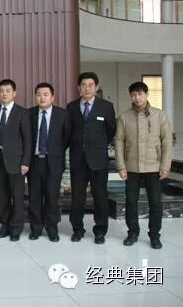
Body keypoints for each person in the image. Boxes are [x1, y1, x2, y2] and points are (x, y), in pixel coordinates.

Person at [115, 81, 173, 249]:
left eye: (140, 94)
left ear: (147, 95)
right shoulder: (124, 117)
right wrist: (121, 165)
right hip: (131, 166)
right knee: (131, 202)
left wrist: (165, 165)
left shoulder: (159, 115)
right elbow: (118, 141)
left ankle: (154, 235)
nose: (137, 97)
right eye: (133, 94)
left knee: (155, 203)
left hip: (153, 166)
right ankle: (132, 233)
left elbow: (167, 141)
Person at [67, 72, 116, 244]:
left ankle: (100, 231)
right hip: (78, 160)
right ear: (78, 87)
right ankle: (77, 229)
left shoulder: (106, 106)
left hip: (98, 159)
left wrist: (97, 145)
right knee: (77, 197)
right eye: (83, 85)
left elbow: (111, 131)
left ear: (96, 87)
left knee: (100, 196)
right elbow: (68, 132)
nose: (87, 88)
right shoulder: (71, 107)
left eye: (90, 85)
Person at [27, 82, 70, 242]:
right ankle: (36, 228)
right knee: (35, 197)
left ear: (52, 97)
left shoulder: (62, 114)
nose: (42, 97)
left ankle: (52, 229)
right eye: (39, 94)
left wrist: (54, 152)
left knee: (52, 198)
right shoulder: (29, 113)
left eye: (45, 94)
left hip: (54, 162)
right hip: (34, 162)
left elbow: (66, 138)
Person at [0, 79, 31, 242]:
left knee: (17, 197)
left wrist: (26, 162)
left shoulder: (22, 112)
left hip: (17, 161)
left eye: (8, 91)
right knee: (2, 197)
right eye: (1, 91)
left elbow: (28, 140)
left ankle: (16, 228)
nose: (4, 94)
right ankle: (5, 226)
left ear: (14, 93)